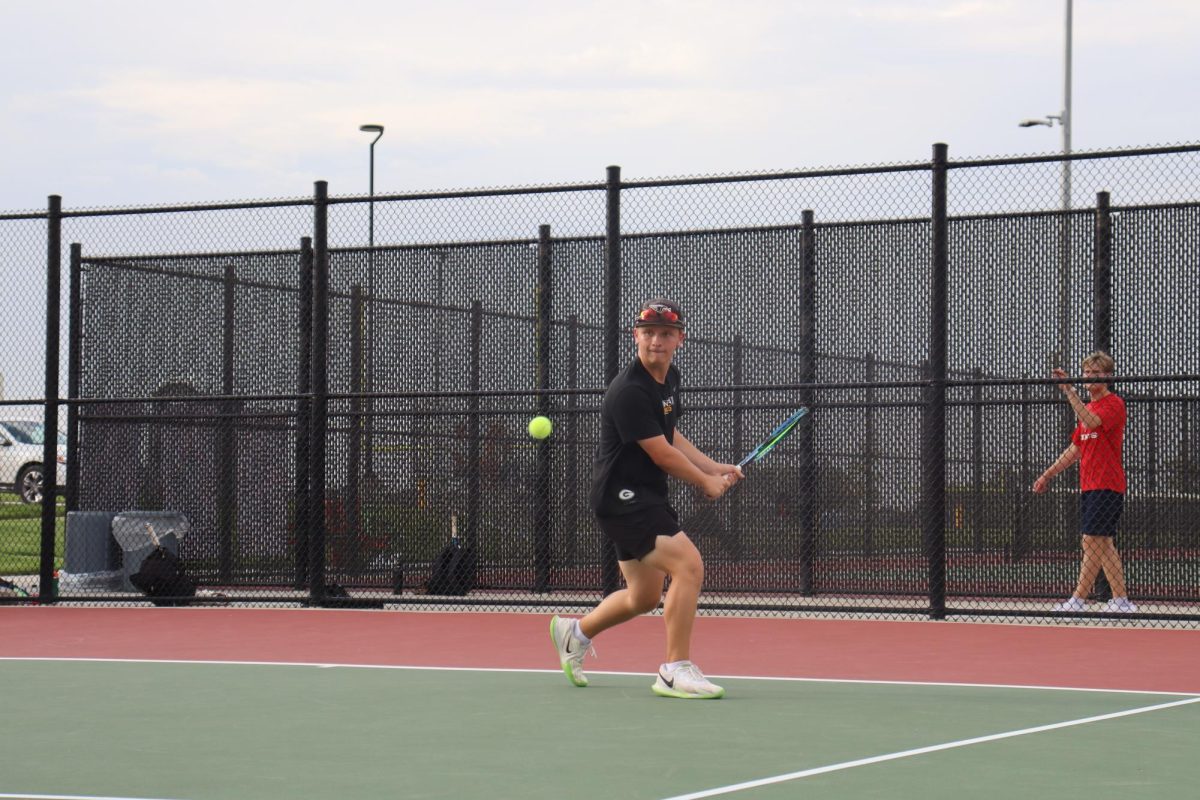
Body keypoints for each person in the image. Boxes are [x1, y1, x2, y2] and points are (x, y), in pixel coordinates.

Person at [550, 298, 743, 699]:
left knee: (644, 596)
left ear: (680, 340)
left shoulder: (670, 378)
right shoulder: (629, 391)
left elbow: (669, 434)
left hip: (645, 495)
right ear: (635, 336)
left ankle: (576, 632)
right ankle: (674, 669)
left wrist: (713, 467)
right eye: (649, 332)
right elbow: (662, 454)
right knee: (688, 565)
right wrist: (704, 483)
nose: (657, 340)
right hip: (622, 499)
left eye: (666, 333)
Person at [1032, 351, 1136, 613]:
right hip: (1089, 486)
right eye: (1087, 372)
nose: (1090, 377)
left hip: (1107, 484)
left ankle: (1078, 599)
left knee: (1091, 540)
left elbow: (1092, 422)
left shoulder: (1114, 404)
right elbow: (1075, 449)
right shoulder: (1086, 408)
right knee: (1102, 543)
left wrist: (1069, 391)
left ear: (1108, 377)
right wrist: (1047, 474)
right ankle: (1121, 600)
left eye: (1096, 373)